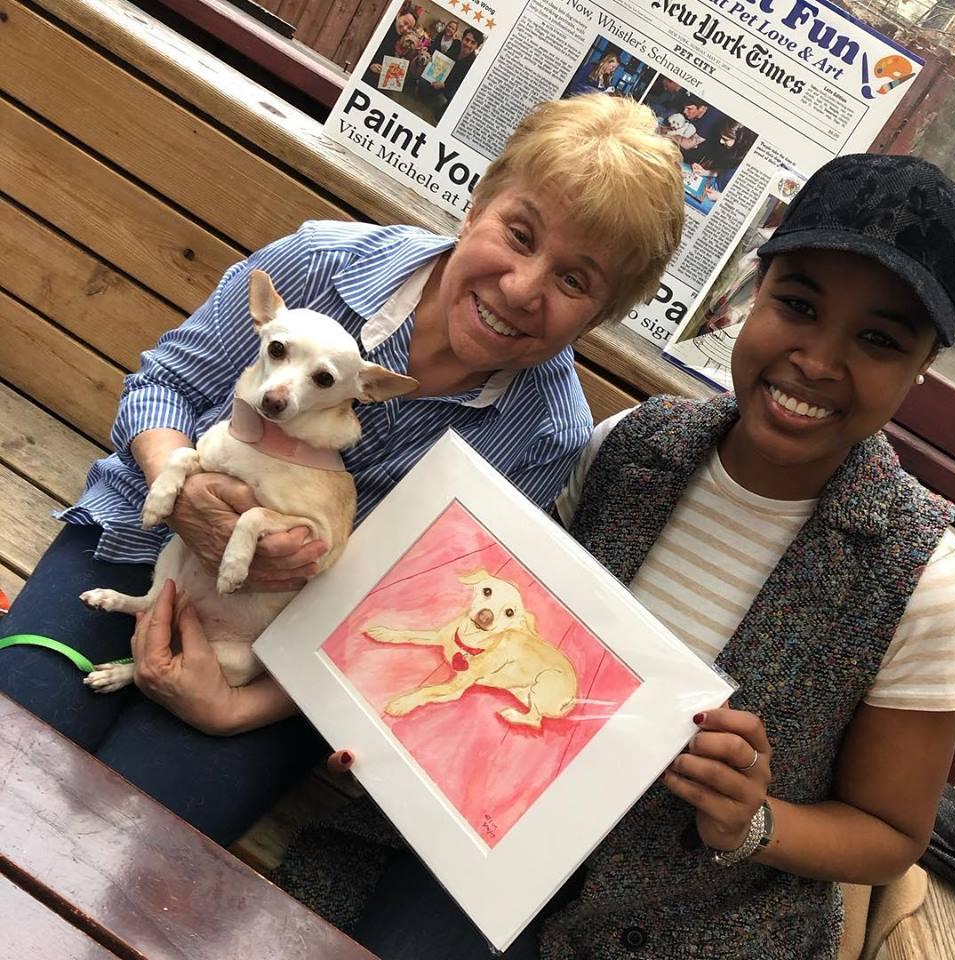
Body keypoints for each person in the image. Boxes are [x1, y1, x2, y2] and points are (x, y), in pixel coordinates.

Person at [276, 153, 955, 959]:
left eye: (878, 339)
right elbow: (500, 623)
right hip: (485, 843)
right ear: (752, 297)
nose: (817, 360)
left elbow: (889, 836)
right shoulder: (633, 447)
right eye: (799, 305)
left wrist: (754, 821)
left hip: (689, 922)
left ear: (921, 368)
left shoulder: (923, 578)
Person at [0, 95, 685, 848]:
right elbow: (165, 383)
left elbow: (406, 616)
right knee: (15, 750)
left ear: (599, 318)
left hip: (278, 660)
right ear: (476, 205)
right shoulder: (322, 264)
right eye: (519, 235)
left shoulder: (548, 435)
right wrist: (186, 491)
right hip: (134, 548)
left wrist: (234, 711)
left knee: (136, 848)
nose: (523, 288)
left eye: (575, 282)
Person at [420, 26, 482, 118]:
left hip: (453, 87)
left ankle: (444, 111)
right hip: (442, 77)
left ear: (477, 46)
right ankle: (428, 95)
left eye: (473, 43)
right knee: (423, 81)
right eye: (467, 40)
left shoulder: (474, 63)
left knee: (455, 96)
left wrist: (445, 85)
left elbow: (463, 85)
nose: (468, 44)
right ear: (462, 39)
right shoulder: (454, 47)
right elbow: (442, 61)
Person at [686, 119, 757, 198]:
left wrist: (719, 197)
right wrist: (706, 172)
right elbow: (726, 172)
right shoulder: (734, 152)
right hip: (714, 183)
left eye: (725, 139)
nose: (721, 141)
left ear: (739, 141)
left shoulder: (749, 162)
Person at [363, 9, 417, 85]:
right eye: (405, 23)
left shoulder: (402, 39)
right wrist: (370, 65)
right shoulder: (383, 27)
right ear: (398, 15)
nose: (405, 28)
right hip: (365, 72)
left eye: (409, 28)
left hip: (381, 79)